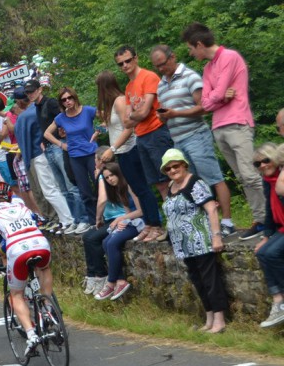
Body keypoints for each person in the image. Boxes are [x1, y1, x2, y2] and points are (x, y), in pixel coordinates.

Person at [181, 22, 266, 240]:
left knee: (251, 174)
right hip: (219, 126)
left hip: (238, 122)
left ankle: (270, 219)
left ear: (199, 44)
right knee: (242, 176)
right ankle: (261, 220)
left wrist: (216, 97)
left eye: (191, 48)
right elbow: (206, 103)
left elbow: (213, 96)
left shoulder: (229, 57)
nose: (190, 53)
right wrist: (219, 97)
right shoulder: (208, 69)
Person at [151, 44, 235, 236]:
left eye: (163, 64)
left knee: (213, 178)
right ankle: (206, 222)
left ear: (173, 57)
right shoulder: (161, 84)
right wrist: (163, 117)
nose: (161, 69)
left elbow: (204, 107)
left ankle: (228, 221)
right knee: (193, 184)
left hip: (196, 135)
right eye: (157, 66)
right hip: (177, 139)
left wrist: (175, 113)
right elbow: (166, 109)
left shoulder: (190, 76)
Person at [0, 182, 52, 356]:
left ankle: (31, 335)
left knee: (16, 294)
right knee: (45, 269)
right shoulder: (21, 206)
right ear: (10, 196)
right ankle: (48, 308)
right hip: (39, 242)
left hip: (17, 248)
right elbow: (39, 221)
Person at [160, 149, 227, 333]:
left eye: (176, 166)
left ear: (184, 165)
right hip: (184, 245)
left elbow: (211, 209)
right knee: (198, 281)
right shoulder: (171, 187)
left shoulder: (195, 183)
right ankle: (209, 318)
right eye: (168, 169)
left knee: (210, 280)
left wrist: (216, 236)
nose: (173, 171)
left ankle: (220, 320)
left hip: (201, 241)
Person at [96, 70, 162, 242]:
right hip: (122, 152)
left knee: (142, 188)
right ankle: (148, 224)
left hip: (129, 149)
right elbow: (116, 125)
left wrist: (112, 148)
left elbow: (128, 127)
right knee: (137, 189)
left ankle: (156, 224)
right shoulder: (112, 104)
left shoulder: (119, 100)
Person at [115, 45, 172, 242]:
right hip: (142, 136)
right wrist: (135, 116)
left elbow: (145, 111)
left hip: (157, 132)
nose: (125, 65)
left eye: (128, 61)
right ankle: (161, 225)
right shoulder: (129, 87)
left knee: (168, 179)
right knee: (158, 183)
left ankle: (174, 224)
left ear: (136, 58)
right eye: (121, 63)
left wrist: (135, 115)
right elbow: (126, 121)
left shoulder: (148, 77)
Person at [26, 78, 87, 228]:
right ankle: (73, 219)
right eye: (28, 93)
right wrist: (43, 139)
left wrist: (63, 136)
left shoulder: (50, 103)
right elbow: (45, 125)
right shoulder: (37, 106)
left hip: (58, 146)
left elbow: (64, 117)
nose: (30, 95)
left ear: (39, 89)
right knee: (63, 188)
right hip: (48, 148)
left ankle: (83, 218)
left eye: (32, 91)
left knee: (70, 185)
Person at [43, 87, 97, 232]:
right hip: (74, 155)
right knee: (84, 190)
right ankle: (92, 220)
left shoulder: (87, 111)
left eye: (70, 98)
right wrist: (62, 145)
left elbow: (105, 118)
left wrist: (98, 131)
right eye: (64, 99)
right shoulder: (61, 118)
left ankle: (108, 214)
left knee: (99, 183)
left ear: (74, 97)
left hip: (91, 153)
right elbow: (47, 133)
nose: (68, 101)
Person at [90, 162, 145, 300]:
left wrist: (120, 219)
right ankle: (120, 281)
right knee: (105, 241)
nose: (110, 180)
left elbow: (141, 211)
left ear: (118, 173)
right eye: (107, 178)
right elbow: (128, 212)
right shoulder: (119, 190)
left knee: (112, 242)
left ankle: (110, 282)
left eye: (112, 175)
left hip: (142, 222)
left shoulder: (130, 186)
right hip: (131, 222)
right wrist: (123, 222)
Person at [252, 143, 284, 328]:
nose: (263, 165)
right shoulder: (268, 181)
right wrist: (265, 237)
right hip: (281, 228)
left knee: (272, 254)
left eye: (266, 160)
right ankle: (278, 300)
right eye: (258, 164)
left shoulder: (282, 178)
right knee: (263, 252)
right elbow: (269, 211)